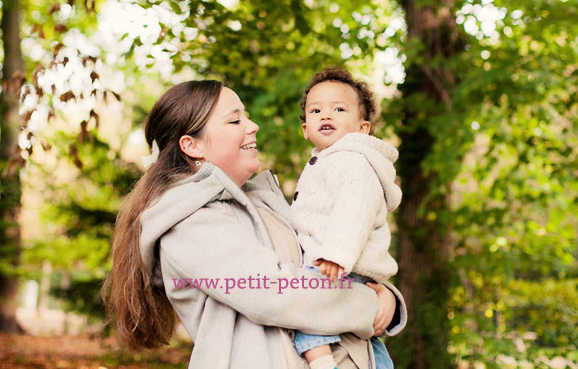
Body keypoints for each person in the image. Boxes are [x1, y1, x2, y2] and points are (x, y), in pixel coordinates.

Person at [103, 80, 407, 369]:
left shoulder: (261, 204)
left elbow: (319, 264)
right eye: (235, 121)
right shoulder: (188, 221)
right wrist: (371, 306)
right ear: (192, 145)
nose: (253, 126)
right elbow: (276, 292)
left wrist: (388, 298)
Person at [290, 69, 401, 369]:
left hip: (339, 265)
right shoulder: (326, 162)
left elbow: (355, 210)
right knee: (363, 338)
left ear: (362, 128)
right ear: (305, 129)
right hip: (342, 268)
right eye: (317, 110)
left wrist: (337, 254)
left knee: (302, 305)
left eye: (339, 109)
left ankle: (322, 362)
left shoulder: (353, 161)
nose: (327, 114)